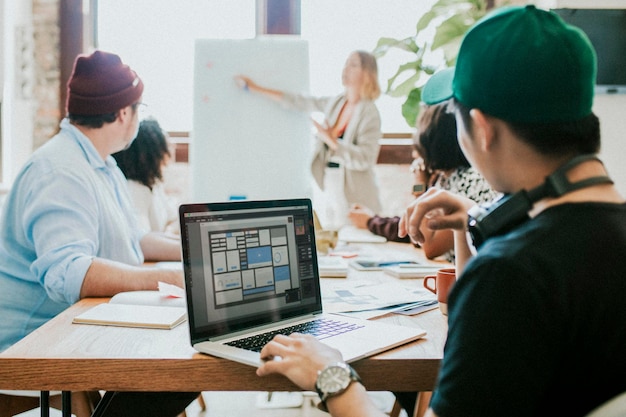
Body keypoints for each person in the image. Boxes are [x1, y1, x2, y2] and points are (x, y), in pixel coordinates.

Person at [253, 5, 626, 417]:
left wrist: (332, 376)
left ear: (481, 129)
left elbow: (498, 302)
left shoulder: (513, 275)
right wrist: (471, 222)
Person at [0, 50, 198, 416]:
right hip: (32, 339)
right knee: (174, 365)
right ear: (124, 113)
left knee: (181, 359)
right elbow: (70, 273)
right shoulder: (59, 171)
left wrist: (196, 254)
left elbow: (136, 239)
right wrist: (169, 278)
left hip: (78, 324)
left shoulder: (103, 165)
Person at [235, 50, 383, 228]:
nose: (346, 68)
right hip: (331, 184)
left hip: (357, 194)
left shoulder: (370, 112)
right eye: (346, 63)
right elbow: (299, 101)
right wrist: (256, 88)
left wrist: (332, 142)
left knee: (357, 244)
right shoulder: (336, 102)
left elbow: (365, 159)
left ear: (367, 73)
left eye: (353, 64)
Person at [348, 101, 497, 262]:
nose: (414, 155)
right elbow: (413, 229)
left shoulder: (470, 181)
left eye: (419, 147)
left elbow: (428, 246)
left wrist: (420, 185)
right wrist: (371, 220)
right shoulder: (444, 178)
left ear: (434, 144)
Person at [113, 117, 179, 235]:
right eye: (167, 143)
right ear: (152, 151)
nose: (173, 146)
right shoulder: (135, 189)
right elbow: (143, 238)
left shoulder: (154, 183)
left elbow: (173, 217)